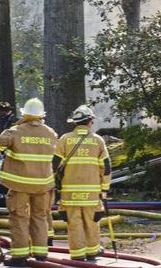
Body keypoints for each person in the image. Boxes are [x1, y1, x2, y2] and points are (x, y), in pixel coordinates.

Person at [0, 98, 57, 266]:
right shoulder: (51, 133)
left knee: (19, 218)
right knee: (40, 217)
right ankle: (41, 254)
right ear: (41, 115)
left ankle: (20, 256)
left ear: (25, 114)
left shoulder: (15, 131)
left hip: (19, 184)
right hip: (43, 185)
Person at [54, 105, 111, 262]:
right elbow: (106, 168)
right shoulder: (98, 141)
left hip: (69, 193)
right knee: (92, 222)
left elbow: (55, 165)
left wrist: (57, 187)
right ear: (90, 122)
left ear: (75, 123)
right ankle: (92, 251)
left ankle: (78, 254)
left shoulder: (64, 139)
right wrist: (104, 189)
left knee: (74, 224)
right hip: (92, 194)